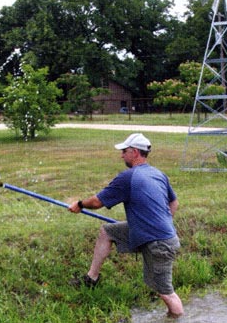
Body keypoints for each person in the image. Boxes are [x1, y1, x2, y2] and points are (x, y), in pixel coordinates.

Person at [68, 133, 184, 318]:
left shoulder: (129, 177)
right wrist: (154, 223)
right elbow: (174, 203)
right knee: (107, 231)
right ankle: (92, 278)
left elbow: (97, 202)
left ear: (135, 152)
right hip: (155, 235)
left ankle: (178, 318)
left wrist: (80, 205)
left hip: (160, 244)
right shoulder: (158, 173)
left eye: (124, 151)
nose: (122, 155)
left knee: (166, 293)